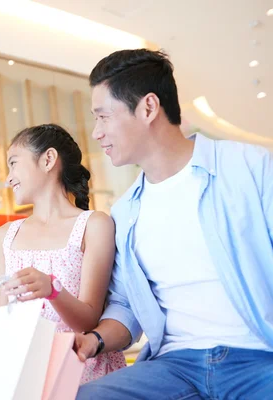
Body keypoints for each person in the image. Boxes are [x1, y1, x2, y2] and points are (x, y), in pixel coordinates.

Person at [75, 49, 273, 399]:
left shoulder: (251, 168)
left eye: (103, 117)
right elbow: (125, 306)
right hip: (175, 366)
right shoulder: (124, 213)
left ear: (148, 108)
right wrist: (95, 339)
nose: (96, 132)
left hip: (259, 357)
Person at [0, 123, 126, 384]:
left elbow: (88, 320)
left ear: (48, 159)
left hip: (81, 370)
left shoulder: (94, 225)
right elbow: (3, 319)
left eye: (14, 163)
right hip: (25, 373)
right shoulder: (5, 234)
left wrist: (52, 290)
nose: (8, 178)